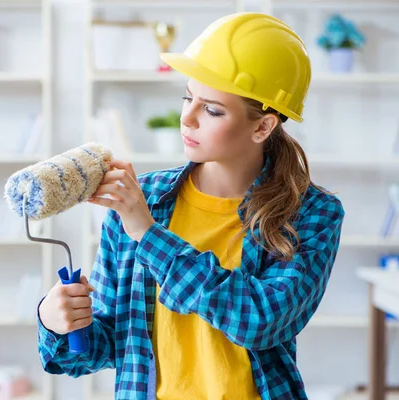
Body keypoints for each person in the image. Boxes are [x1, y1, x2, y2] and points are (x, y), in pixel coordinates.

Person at [37, 11, 345, 400]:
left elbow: (262, 321)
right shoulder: (141, 199)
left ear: (262, 127)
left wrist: (148, 235)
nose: (187, 118)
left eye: (212, 109)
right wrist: (59, 323)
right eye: (188, 96)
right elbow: (110, 345)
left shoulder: (312, 213)